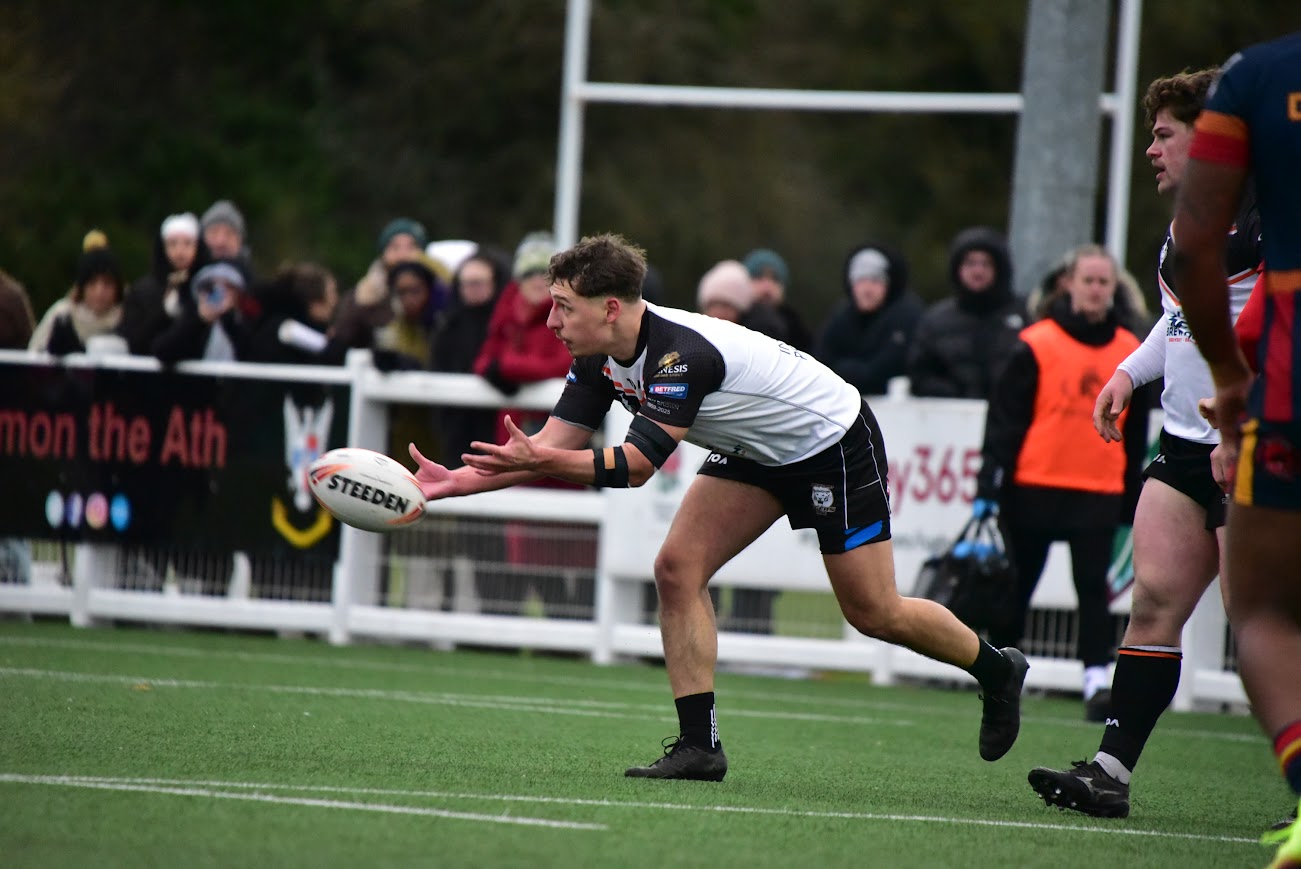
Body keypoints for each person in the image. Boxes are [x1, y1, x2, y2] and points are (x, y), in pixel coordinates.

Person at [408, 233, 1029, 781]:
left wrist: (536, 463)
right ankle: (698, 747)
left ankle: (996, 669)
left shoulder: (680, 355)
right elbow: (544, 447)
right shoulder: (596, 354)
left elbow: (633, 468)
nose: (551, 322)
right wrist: (454, 484)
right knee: (676, 568)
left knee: (875, 611)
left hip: (829, 440)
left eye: (563, 307)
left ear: (611, 308)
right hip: (754, 447)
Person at [1027, 67, 1262, 819]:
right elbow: (1180, 319)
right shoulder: (1182, 225)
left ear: (1211, 136)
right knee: (1153, 599)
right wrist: (1128, 373)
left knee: (1260, 620)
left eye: (1164, 134)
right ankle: (1108, 772)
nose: (1152, 149)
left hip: (1257, 443)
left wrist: (1243, 416)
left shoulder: (1271, 221)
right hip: (1188, 445)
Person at [1170, 33, 1301, 867]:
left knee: (1263, 609)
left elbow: (1194, 247)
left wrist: (1227, 375)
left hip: (1291, 372)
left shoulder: (1259, 74)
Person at [975, 244, 1148, 722]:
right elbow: (1006, 421)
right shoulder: (1036, 342)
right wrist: (989, 484)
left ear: (1115, 289)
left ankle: (1095, 681)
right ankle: (1003, 673)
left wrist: (1132, 492)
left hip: (1098, 487)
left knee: (1093, 588)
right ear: (1067, 285)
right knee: (1018, 587)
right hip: (1033, 484)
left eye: (1104, 282)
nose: (1095, 290)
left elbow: (1137, 432)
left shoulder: (1130, 351)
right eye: (1088, 280)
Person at [471, 231, 591, 618]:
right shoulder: (506, 312)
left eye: (544, 277)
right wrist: (499, 369)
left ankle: (567, 628)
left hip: (556, 446)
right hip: (518, 442)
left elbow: (560, 366)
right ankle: (539, 629)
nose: (535, 285)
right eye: (529, 276)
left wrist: (506, 369)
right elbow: (482, 361)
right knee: (524, 552)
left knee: (560, 549)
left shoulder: (566, 318)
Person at [907, 227, 1025, 400]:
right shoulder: (935, 321)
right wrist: (953, 394)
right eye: (970, 263)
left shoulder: (1024, 315)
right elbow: (920, 375)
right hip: (953, 418)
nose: (978, 271)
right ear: (958, 268)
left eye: (986, 264)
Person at [814, 242, 923, 396]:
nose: (867, 289)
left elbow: (888, 368)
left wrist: (847, 371)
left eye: (875, 281)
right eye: (860, 281)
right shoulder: (840, 315)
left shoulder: (907, 316)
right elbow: (821, 362)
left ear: (889, 283)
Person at [118, 212, 209, 356]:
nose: (180, 251)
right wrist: (163, 313)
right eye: (172, 244)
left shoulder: (207, 285)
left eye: (187, 243)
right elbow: (133, 340)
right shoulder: (143, 290)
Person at [29, 231, 125, 354]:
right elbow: (35, 353)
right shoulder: (62, 315)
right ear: (81, 287)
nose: (99, 291)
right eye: (92, 283)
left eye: (107, 284)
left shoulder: (127, 318)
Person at [696, 259, 788, 343]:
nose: (719, 312)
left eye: (726, 305)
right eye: (713, 304)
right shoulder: (693, 336)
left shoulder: (753, 340)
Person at [742, 248, 813, 351]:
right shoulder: (732, 320)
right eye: (758, 277)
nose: (767, 286)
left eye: (774, 279)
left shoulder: (797, 330)